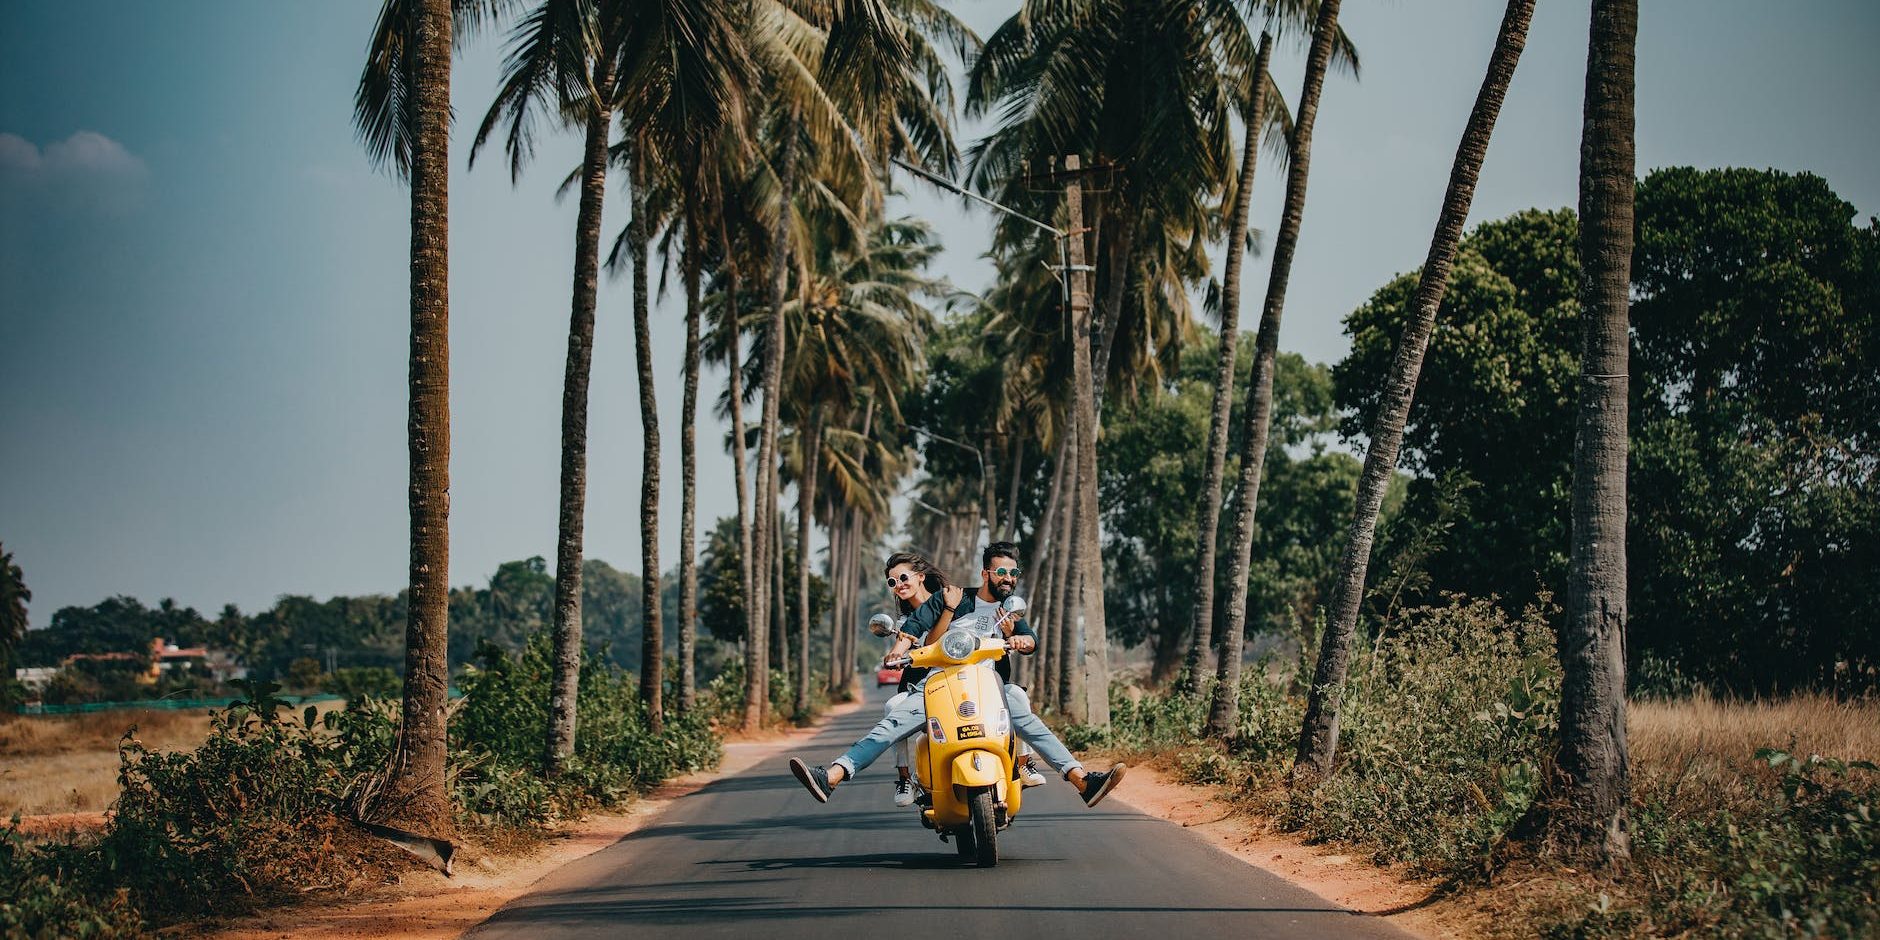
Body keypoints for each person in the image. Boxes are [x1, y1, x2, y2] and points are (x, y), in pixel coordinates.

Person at [788, 544, 1125, 808]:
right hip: (937, 687)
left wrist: (1022, 639)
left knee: (1027, 715)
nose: (1007, 577)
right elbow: (915, 627)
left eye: (1012, 572)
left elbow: (1029, 637)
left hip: (987, 687)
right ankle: (831, 776)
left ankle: (1082, 780)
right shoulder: (950, 598)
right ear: (985, 573)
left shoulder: (1006, 611)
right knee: (889, 724)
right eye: (1000, 571)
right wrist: (897, 649)